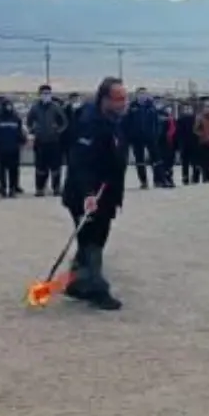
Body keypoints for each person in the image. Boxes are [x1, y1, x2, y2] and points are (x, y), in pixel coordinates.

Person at [61, 77, 129, 311]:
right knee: (93, 240)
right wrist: (88, 193)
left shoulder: (115, 121)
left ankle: (76, 283)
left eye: (125, 98)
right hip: (86, 193)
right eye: (119, 98)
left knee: (91, 238)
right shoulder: (89, 122)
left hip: (107, 193)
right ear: (105, 99)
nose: (124, 103)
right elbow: (81, 163)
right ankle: (97, 289)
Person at [27, 84, 70, 197]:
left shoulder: (56, 107)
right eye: (44, 93)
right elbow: (29, 121)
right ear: (39, 94)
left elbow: (64, 122)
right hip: (40, 141)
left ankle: (56, 188)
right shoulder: (35, 108)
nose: (46, 95)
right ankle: (40, 188)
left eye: (48, 93)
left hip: (54, 142)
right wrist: (33, 130)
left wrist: (58, 131)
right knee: (40, 167)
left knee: (56, 167)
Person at [125, 88, 160, 189]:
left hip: (151, 137)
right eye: (140, 94)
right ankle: (143, 181)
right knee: (139, 160)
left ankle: (157, 180)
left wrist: (156, 134)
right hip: (137, 138)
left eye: (144, 94)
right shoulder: (132, 107)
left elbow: (157, 123)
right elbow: (127, 123)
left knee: (156, 160)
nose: (142, 96)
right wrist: (129, 136)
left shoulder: (151, 107)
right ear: (136, 95)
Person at [0, 97, 28, 197]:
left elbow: (19, 132)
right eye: (6, 105)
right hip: (1, 148)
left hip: (14, 148)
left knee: (14, 170)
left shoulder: (16, 118)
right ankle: (3, 189)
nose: (8, 107)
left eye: (10, 105)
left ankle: (13, 189)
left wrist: (22, 141)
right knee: (2, 171)